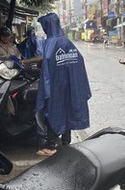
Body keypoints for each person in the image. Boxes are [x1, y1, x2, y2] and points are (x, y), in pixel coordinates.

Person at [35, 13, 91, 156]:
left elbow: (46, 68)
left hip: (56, 87)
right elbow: (79, 62)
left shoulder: (50, 43)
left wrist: (45, 91)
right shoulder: (67, 42)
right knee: (68, 112)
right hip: (71, 86)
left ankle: (51, 145)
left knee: (53, 112)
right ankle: (66, 142)